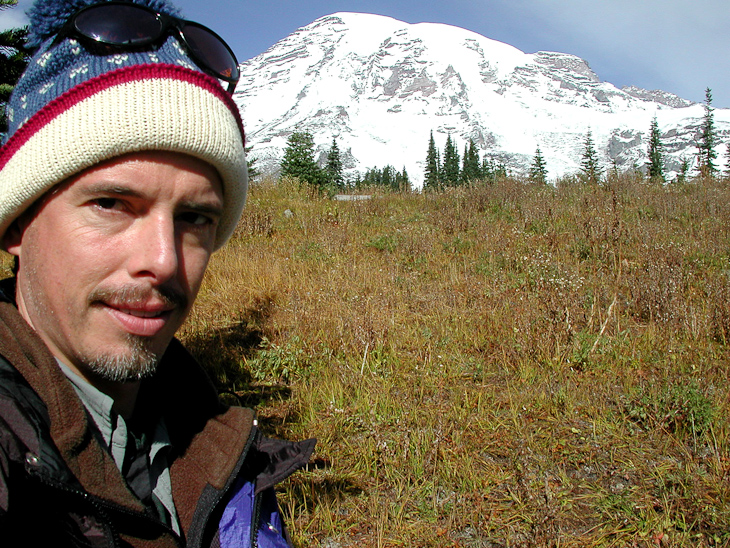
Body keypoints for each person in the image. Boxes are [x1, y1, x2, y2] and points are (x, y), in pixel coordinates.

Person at [0, 0, 315, 546]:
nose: (165, 261)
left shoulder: (210, 433)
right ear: (16, 224)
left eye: (195, 218)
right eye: (112, 204)